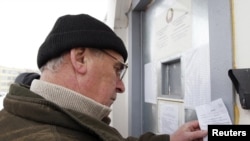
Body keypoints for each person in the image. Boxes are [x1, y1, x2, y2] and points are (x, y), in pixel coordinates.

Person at [0, 14, 207, 141]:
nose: (121, 86)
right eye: (117, 69)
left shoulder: (56, 117)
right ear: (80, 59)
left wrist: (170, 140)